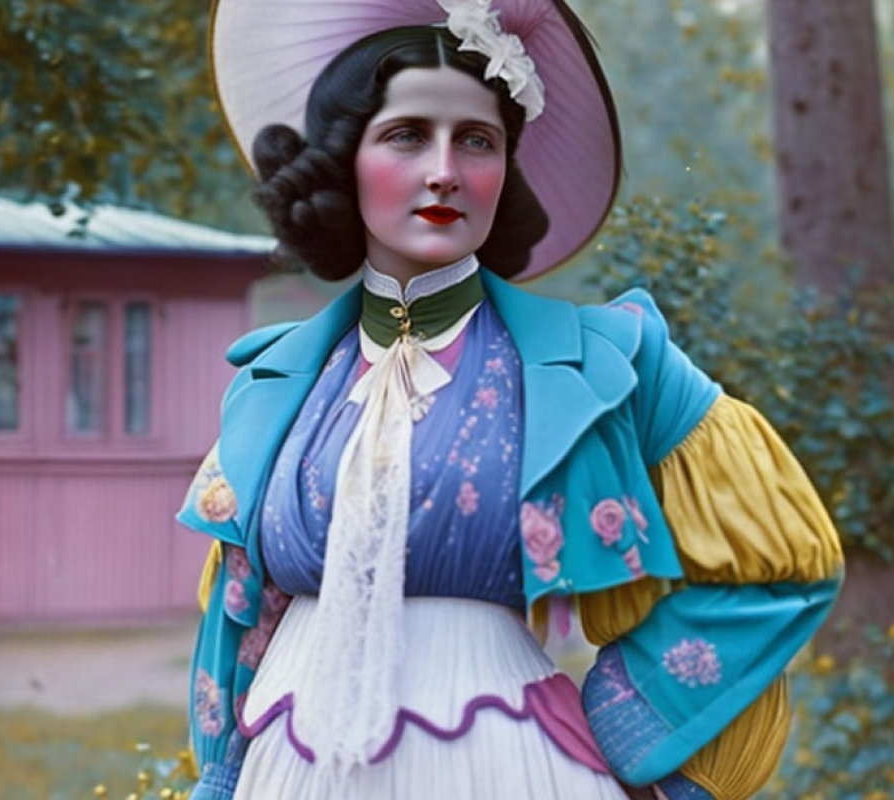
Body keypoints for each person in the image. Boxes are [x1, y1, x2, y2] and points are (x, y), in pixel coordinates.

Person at [177, 2, 844, 799]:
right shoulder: (275, 383)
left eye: (477, 141)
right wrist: (215, 786)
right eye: (406, 135)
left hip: (508, 768)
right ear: (344, 159)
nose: (444, 171)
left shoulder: (613, 364)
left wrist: (630, 735)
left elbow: (779, 565)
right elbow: (238, 618)